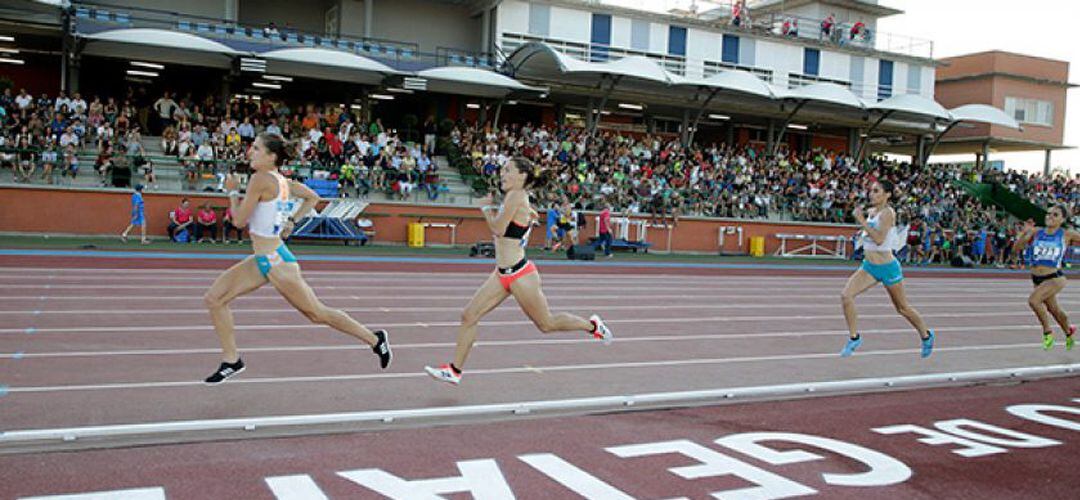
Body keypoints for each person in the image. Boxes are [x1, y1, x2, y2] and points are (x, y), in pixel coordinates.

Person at [202, 132, 392, 384]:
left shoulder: (260, 179)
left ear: (271, 157)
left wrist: (232, 192)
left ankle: (375, 339)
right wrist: (292, 220)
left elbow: (238, 221)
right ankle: (231, 360)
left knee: (317, 314)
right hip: (264, 257)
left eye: (257, 149)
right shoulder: (282, 181)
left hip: (276, 261)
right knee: (215, 299)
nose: (250, 152)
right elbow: (313, 197)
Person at [425, 156, 613, 385]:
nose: (502, 174)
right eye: (502, 170)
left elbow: (497, 228)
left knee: (546, 324)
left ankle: (593, 326)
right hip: (501, 274)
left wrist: (484, 207)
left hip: (521, 275)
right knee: (468, 316)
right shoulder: (515, 198)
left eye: (508, 170)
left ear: (522, 176)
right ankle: (454, 370)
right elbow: (513, 222)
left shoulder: (516, 196)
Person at [840, 181, 935, 358]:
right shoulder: (872, 212)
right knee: (846, 296)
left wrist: (861, 221)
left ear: (887, 194)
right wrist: (862, 229)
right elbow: (870, 235)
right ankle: (854, 338)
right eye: (871, 190)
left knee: (902, 308)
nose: (871, 194)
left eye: (876, 191)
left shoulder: (888, 213)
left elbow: (879, 239)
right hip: (869, 267)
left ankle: (926, 335)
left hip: (887, 268)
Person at [1012, 206, 1077, 351]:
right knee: (1054, 310)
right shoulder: (1036, 232)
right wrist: (1024, 234)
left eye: (1055, 215)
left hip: (1055, 277)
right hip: (1036, 278)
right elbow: (1016, 250)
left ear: (1062, 219)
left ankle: (1048, 333)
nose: (1050, 217)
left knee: (1034, 301)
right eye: (1048, 214)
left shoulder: (1066, 234)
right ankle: (1068, 332)